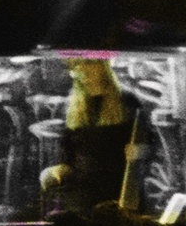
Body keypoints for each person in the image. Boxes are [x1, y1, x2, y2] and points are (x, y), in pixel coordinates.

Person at [45, 60, 143, 214]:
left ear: (103, 66)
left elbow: (147, 143)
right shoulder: (72, 106)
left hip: (118, 191)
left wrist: (140, 151)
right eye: (77, 66)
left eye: (89, 63)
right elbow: (67, 152)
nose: (83, 69)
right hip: (82, 196)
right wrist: (58, 170)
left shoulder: (127, 100)